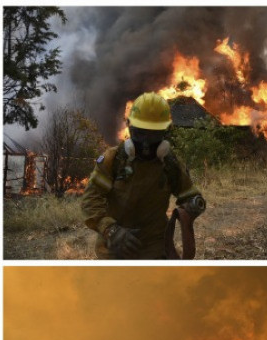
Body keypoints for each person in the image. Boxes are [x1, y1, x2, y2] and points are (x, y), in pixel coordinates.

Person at [82, 92, 206, 259]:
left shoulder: (169, 163)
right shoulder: (113, 160)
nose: (146, 142)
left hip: (155, 251)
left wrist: (193, 204)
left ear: (164, 132)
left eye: (153, 134)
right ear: (129, 127)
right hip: (114, 251)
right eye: (140, 133)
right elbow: (90, 200)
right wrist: (111, 230)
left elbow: (189, 194)